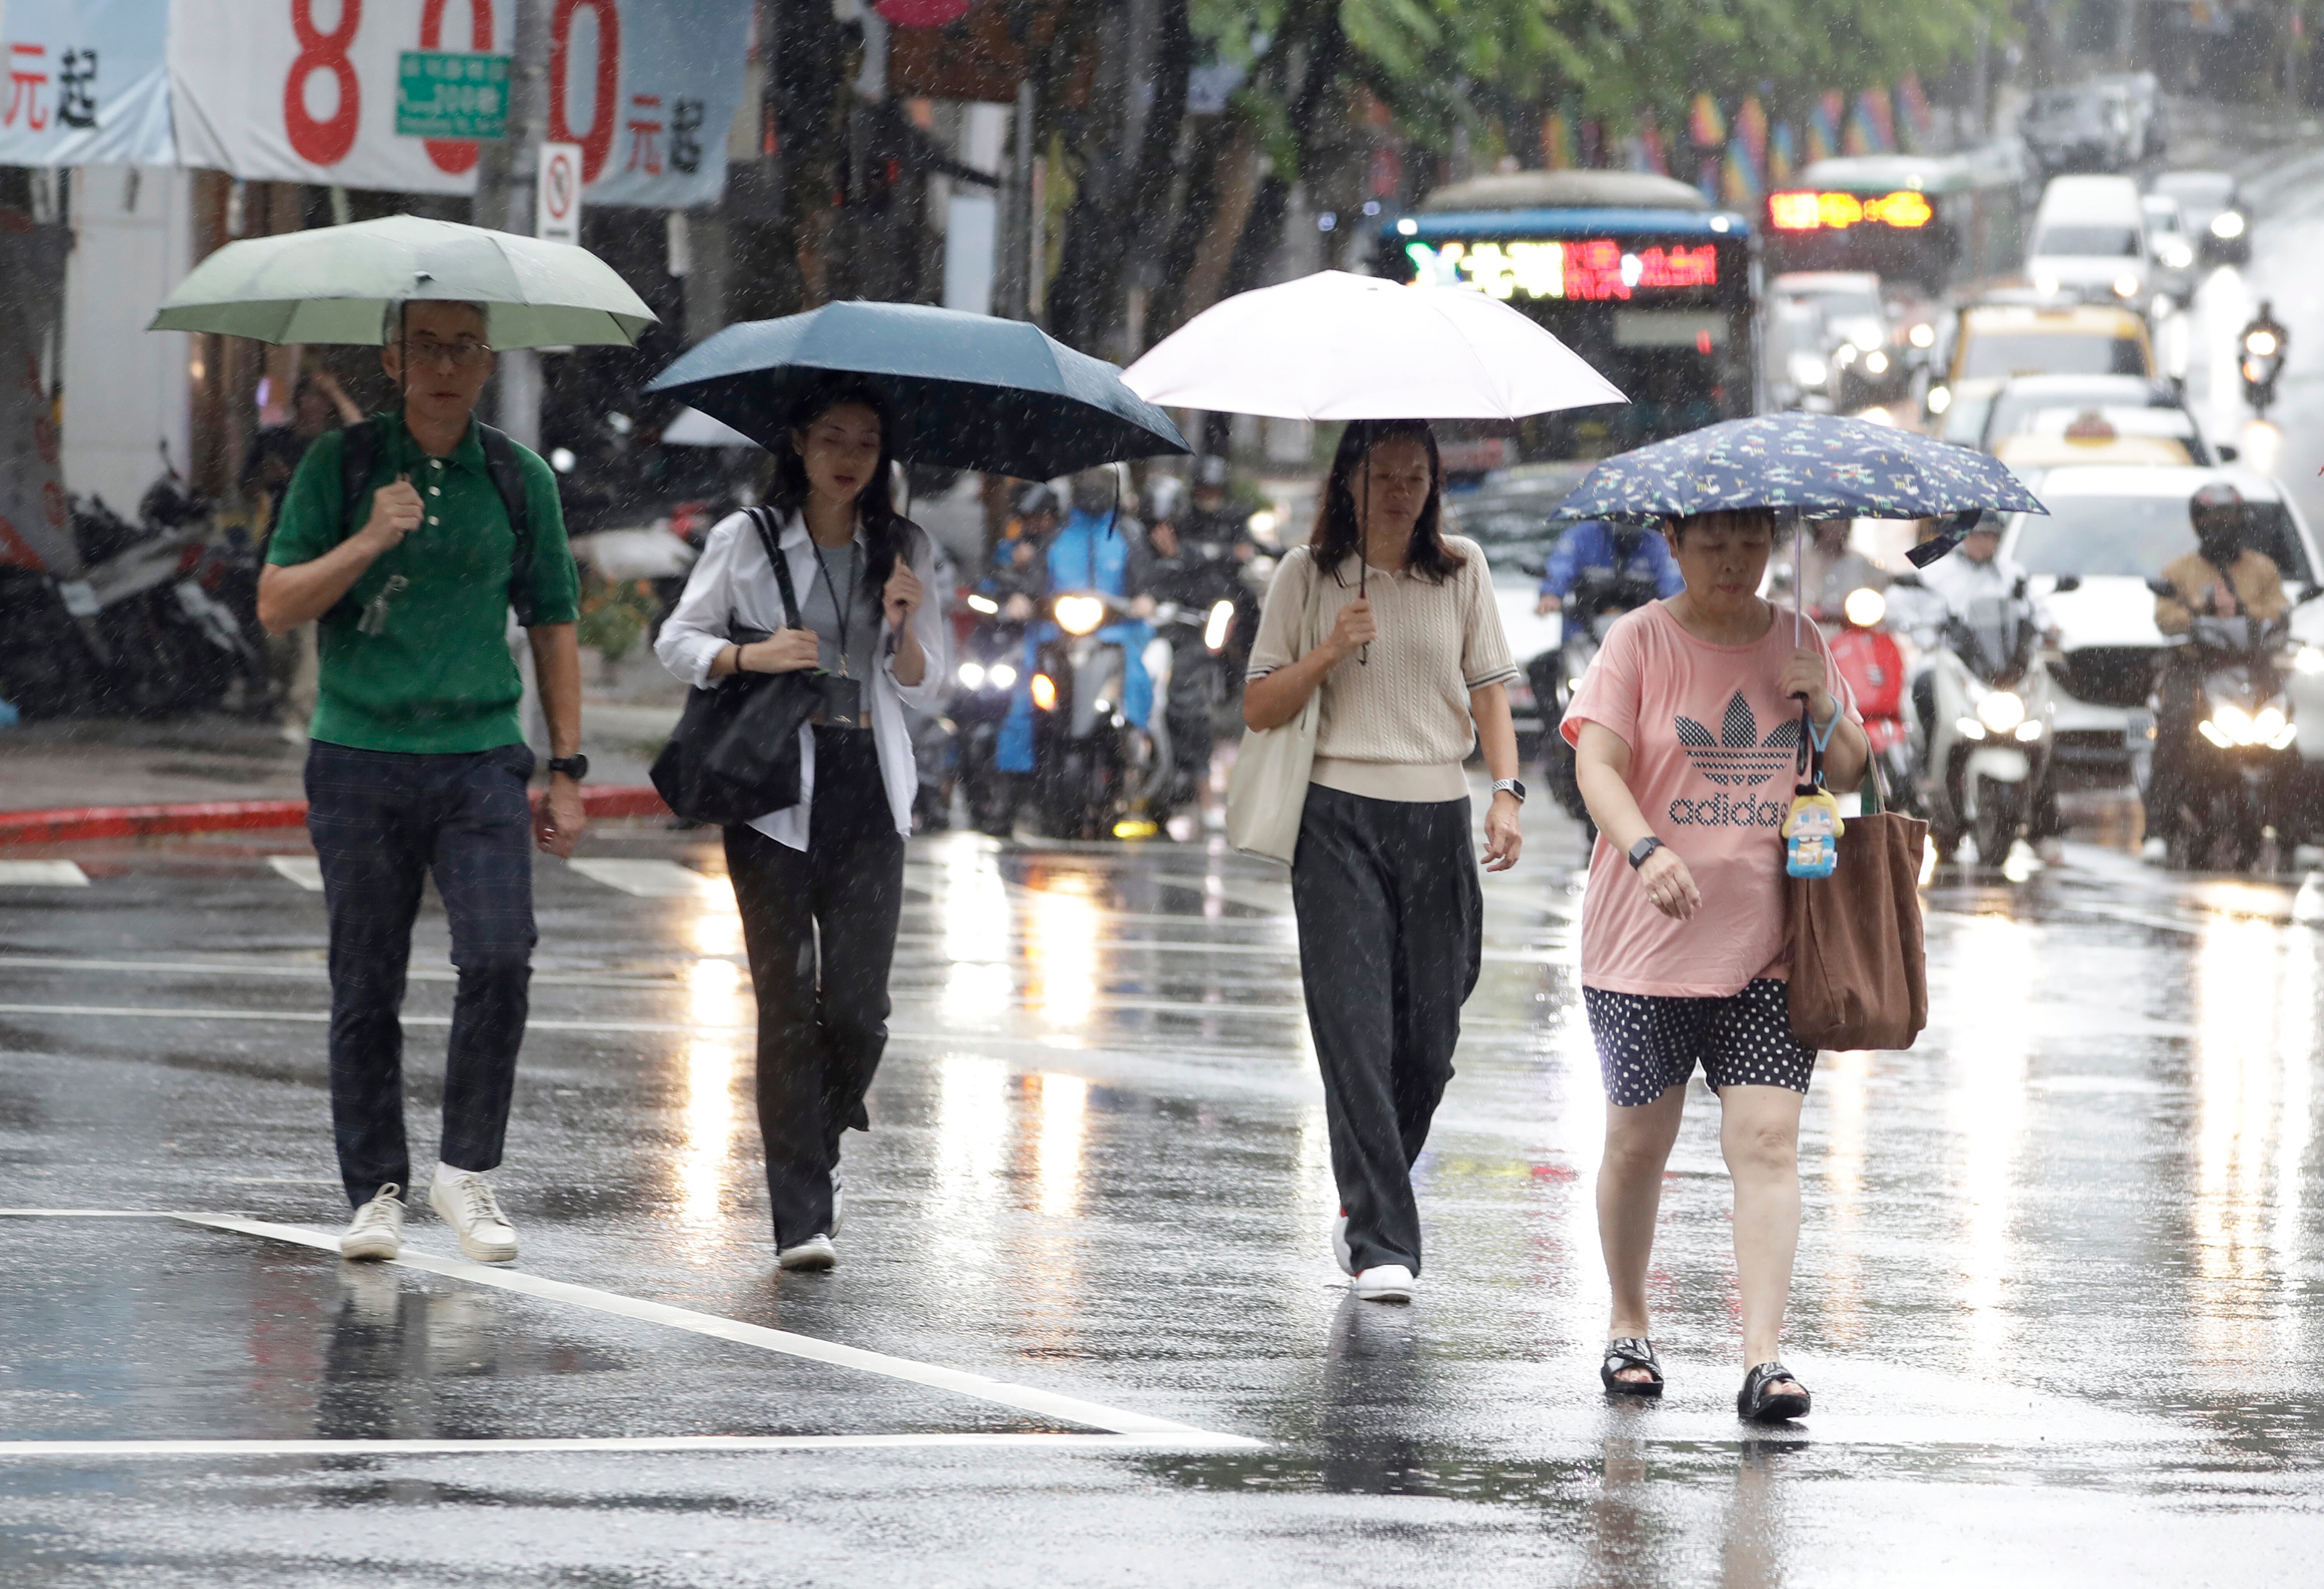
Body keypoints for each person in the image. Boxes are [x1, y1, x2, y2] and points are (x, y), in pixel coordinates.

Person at [257, 299, 587, 1266]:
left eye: (465, 347)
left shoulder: (518, 480)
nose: (446, 364)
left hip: (479, 755)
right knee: (366, 985)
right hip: (357, 755)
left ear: (488, 362)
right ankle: (375, 1192)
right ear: (393, 360)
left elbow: (556, 622)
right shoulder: (344, 465)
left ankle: (465, 1171)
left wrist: (566, 767)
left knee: (499, 957)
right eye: (426, 347)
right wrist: (368, 539)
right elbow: (278, 602)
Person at [1563, 507, 1867, 1423]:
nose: (1735, 562)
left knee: (1768, 1144)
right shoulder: (1639, 643)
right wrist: (1647, 850)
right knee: (1637, 1146)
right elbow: (1598, 769)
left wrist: (1829, 707)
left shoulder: (1801, 638)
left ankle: (1766, 1358)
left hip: (1773, 947)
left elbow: (1851, 771)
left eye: (1751, 544)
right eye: (1713, 546)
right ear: (1675, 546)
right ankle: (1628, 1321)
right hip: (1643, 947)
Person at [655, 378, 947, 1273]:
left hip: (869, 791)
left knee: (859, 1011)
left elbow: (924, 683)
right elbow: (679, 641)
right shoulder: (746, 540)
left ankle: (817, 1141)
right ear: (799, 443)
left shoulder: (904, 546)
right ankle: (801, 1215)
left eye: (866, 440)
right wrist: (750, 653)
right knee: (786, 1007)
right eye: (832, 437)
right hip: (776, 792)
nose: (849, 455)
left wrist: (903, 625)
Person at [1243, 419, 1525, 1305]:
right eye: (1382, 476)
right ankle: (1381, 1243)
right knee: (1356, 1032)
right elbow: (1258, 705)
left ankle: (1368, 1192)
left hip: (1436, 816)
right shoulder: (1306, 574)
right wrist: (1330, 647)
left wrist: (1507, 792)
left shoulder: (1462, 568)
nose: (1400, 491)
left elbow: (1489, 694)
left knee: (1429, 1042)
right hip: (1336, 820)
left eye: (1415, 476)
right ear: (1348, 485)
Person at [2147, 482, 2289, 841]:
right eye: (2213, 518)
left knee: (2289, 734)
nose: (2221, 526)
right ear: (2199, 523)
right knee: (2176, 726)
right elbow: (2165, 616)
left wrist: (2241, 610)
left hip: (2252, 665)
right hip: (2196, 666)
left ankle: (2295, 830)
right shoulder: (2179, 570)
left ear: (2242, 522)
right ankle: (2158, 831)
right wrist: (2202, 611)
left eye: (2229, 517)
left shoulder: (2263, 569)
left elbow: (2279, 610)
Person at [994, 467, 1154, 782]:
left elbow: (1145, 583)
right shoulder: (1057, 535)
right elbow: (1034, 582)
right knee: (1025, 679)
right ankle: (1016, 773)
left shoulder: (1129, 535)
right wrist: (1022, 598)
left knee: (1136, 677)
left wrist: (1145, 600)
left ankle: (1135, 745)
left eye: (1104, 481)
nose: (1094, 487)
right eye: (1088, 478)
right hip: (1058, 634)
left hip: (1115, 634)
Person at [1535, 518, 1684, 616]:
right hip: (1584, 629)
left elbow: (1673, 584)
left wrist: (1676, 610)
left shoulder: (1658, 545)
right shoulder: (1581, 537)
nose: (1627, 519)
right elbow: (1560, 567)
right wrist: (1551, 595)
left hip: (1641, 632)